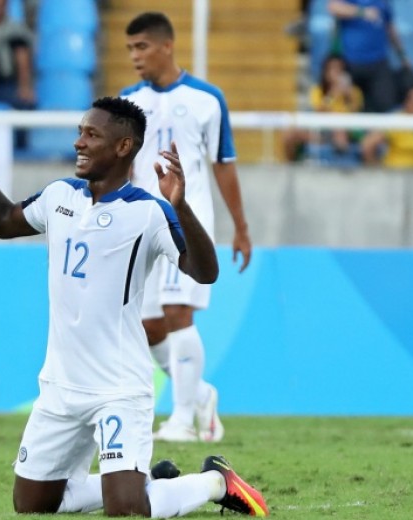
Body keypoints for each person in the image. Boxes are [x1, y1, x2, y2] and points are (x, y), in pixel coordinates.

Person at [0, 94, 268, 518]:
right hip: (60, 387)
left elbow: (204, 271)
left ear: (123, 147)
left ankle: (215, 482)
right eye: (80, 132)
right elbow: (3, 221)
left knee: (127, 510)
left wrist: (181, 207)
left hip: (118, 388)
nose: (79, 143)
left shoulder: (148, 213)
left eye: (91, 134)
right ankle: (147, 481)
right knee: (32, 507)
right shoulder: (59, 195)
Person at [120, 12, 252, 443]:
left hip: (186, 222)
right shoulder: (127, 101)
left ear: (166, 45)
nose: (135, 56)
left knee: (179, 313)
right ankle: (199, 396)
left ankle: (181, 419)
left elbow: (223, 165)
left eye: (141, 47)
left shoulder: (206, 99)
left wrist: (240, 227)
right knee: (150, 325)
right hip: (141, 224)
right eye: (130, 49)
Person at [327, 0, 413, 113]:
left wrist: (402, 56)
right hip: (351, 63)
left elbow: (390, 28)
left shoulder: (383, 2)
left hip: (378, 63)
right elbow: (333, 7)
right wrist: (362, 12)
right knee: (347, 104)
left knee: (385, 106)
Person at [283, 53, 364, 162]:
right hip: (322, 131)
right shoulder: (318, 90)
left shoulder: (354, 91)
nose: (335, 72)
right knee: (289, 134)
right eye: (332, 68)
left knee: (339, 129)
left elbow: (355, 111)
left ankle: (344, 167)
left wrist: (348, 95)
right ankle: (291, 169)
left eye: (339, 69)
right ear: (325, 71)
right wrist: (333, 95)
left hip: (345, 131)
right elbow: (318, 111)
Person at [360, 84, 413, 168]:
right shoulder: (396, 120)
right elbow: (368, 145)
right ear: (408, 103)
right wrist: (376, 170)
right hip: (396, 174)